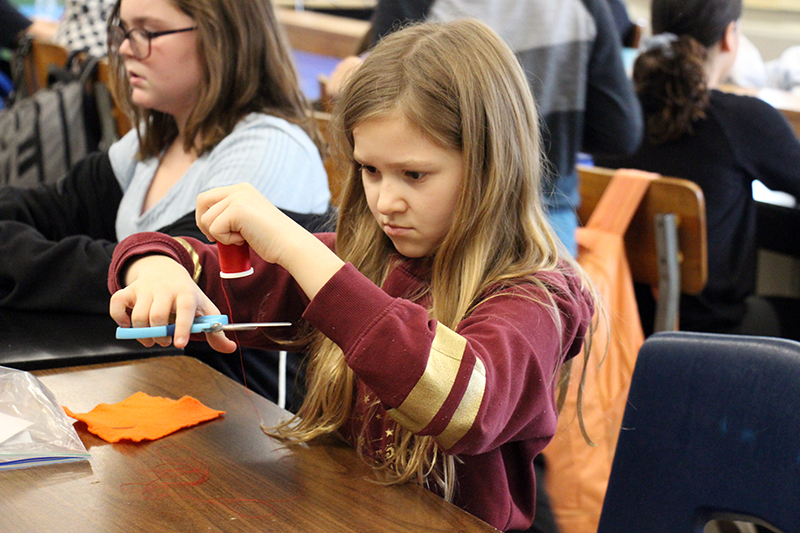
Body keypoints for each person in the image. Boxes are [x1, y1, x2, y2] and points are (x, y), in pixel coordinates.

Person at [107, 19, 596, 532]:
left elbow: (463, 404)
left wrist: (299, 248)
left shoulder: (538, 297)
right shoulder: (364, 260)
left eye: (414, 174)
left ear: (490, 164)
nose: (385, 202)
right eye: (369, 171)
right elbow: (191, 263)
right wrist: (156, 267)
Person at [0, 0, 329, 314]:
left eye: (148, 32)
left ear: (220, 37)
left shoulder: (268, 150)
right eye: (124, 31)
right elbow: (47, 209)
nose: (125, 49)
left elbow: (176, 282)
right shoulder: (155, 141)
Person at [327, 0, 643, 256]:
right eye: (368, 169)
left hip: (469, 227)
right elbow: (618, 132)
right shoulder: (584, 6)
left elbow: (386, 100)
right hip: (549, 216)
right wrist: (545, 130)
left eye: (414, 172)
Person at [595, 0, 800, 341]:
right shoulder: (744, 121)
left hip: (623, 330)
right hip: (715, 334)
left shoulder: (617, 114)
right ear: (729, 37)